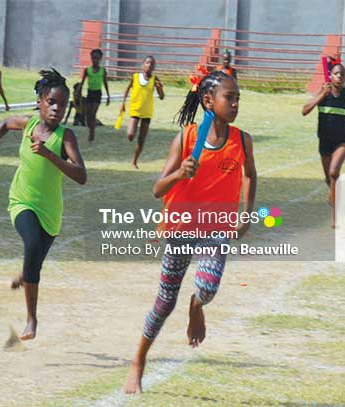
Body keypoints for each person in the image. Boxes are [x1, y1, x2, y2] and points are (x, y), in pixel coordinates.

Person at [124, 70, 257, 394]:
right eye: (230, 97)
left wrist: (246, 213)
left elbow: (250, 175)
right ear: (208, 101)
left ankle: (196, 305)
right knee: (164, 302)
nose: (236, 103)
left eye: (238, 97)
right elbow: (158, 189)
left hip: (216, 227)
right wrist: (180, 173)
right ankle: (138, 361)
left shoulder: (242, 139)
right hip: (181, 228)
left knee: (208, 287)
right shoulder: (186, 138)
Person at [0, 68, 86, 341]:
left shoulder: (65, 137)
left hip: (51, 211)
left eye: (62, 105)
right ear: (40, 102)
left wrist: (48, 154)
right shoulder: (29, 125)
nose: (57, 109)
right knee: (32, 246)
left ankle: (25, 272)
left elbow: (81, 175)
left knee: (34, 262)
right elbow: (5, 123)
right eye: (51, 102)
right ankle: (32, 319)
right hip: (21, 201)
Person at [302, 57, 345, 228]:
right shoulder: (323, 93)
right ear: (330, 75)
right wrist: (321, 95)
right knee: (330, 178)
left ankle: (336, 218)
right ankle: (334, 195)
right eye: (336, 74)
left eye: (342, 75)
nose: (339, 77)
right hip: (325, 140)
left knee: (334, 172)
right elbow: (304, 111)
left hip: (343, 139)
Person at [120, 56, 164, 169]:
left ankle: (134, 161)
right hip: (135, 109)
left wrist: (160, 88)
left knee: (141, 138)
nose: (150, 65)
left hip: (147, 112)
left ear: (154, 67)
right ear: (143, 65)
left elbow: (161, 97)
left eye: (152, 64)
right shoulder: (135, 77)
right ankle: (131, 138)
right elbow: (127, 88)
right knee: (130, 135)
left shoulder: (155, 79)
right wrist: (123, 103)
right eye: (148, 63)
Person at [78, 48, 110, 142]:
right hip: (90, 93)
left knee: (93, 113)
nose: (95, 60)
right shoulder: (87, 70)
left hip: (97, 94)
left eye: (97, 58)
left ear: (100, 59)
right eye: (93, 58)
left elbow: (105, 82)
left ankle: (92, 132)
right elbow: (82, 82)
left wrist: (108, 95)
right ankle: (91, 128)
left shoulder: (102, 71)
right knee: (88, 115)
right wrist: (78, 92)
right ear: (91, 58)